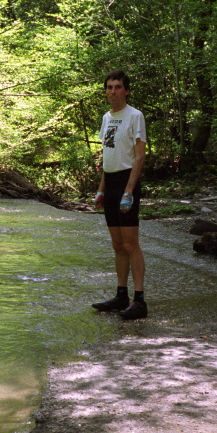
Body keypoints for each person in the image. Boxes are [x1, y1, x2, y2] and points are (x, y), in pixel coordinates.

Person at [92, 70, 148, 320]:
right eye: (109, 87)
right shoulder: (106, 118)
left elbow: (139, 156)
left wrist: (128, 191)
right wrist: (101, 189)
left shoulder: (135, 116)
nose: (112, 91)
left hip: (128, 182)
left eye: (117, 87)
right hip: (111, 181)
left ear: (126, 90)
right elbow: (107, 156)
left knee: (130, 243)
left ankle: (139, 301)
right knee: (117, 245)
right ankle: (121, 295)